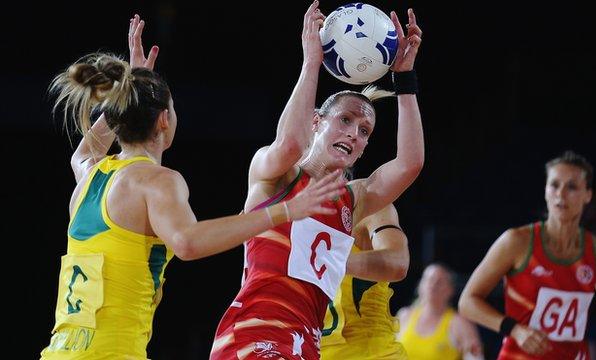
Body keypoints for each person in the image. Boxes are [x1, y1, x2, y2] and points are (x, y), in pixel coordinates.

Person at [40, 14, 347, 360]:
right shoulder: (157, 181)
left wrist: (131, 89)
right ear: (164, 120)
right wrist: (285, 211)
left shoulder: (89, 179)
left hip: (59, 351)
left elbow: (85, 151)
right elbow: (187, 241)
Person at [211, 1, 424, 359]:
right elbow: (291, 144)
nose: (354, 133)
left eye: (364, 130)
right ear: (316, 122)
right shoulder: (275, 176)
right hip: (256, 334)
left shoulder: (353, 200)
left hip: (306, 344)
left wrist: (405, 79)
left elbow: (410, 164)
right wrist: (311, 62)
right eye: (344, 120)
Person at [458, 150, 596, 360]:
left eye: (572, 187)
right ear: (545, 191)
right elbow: (467, 301)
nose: (561, 194)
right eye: (554, 185)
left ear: (588, 195)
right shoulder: (517, 241)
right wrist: (515, 329)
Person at [320, 203, 410, 359]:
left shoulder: (366, 202)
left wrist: (332, 261)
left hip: (371, 352)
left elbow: (398, 263)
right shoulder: (282, 215)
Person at [397, 263, 484, 360]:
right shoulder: (404, 316)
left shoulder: (461, 324)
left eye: (439, 282)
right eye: (429, 280)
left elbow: (476, 357)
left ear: (450, 290)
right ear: (420, 285)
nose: (433, 285)